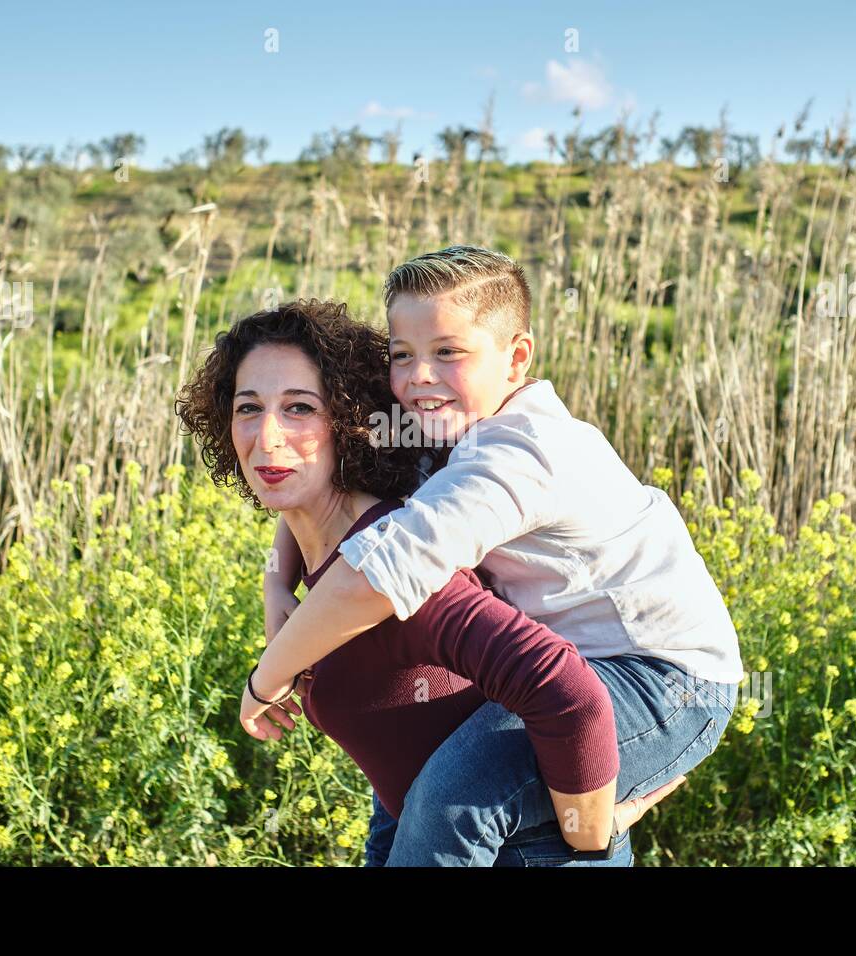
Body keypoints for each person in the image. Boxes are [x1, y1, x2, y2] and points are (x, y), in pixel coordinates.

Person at [247, 246, 743, 866]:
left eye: (448, 352)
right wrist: (276, 586)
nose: (418, 377)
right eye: (403, 356)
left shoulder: (517, 456)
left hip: (663, 677)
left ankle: (599, 838)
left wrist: (268, 676)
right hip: (573, 663)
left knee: (457, 796)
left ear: (516, 358)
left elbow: (377, 573)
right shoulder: (446, 424)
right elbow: (316, 475)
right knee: (411, 797)